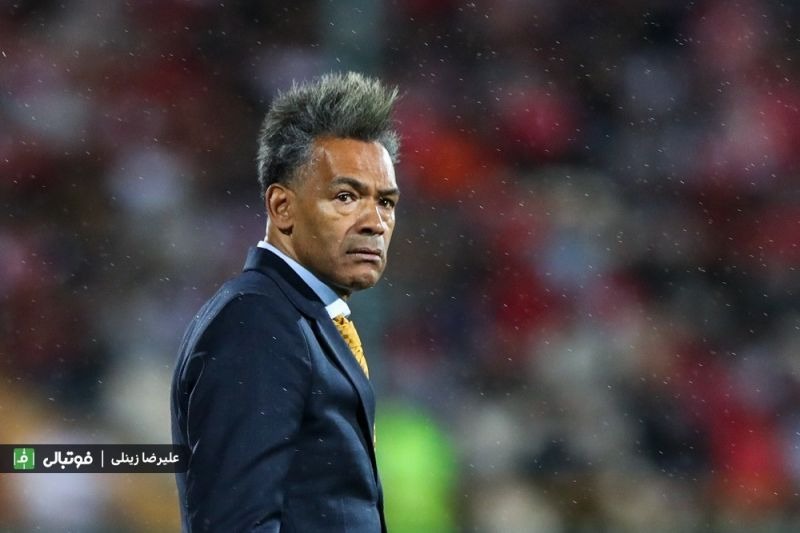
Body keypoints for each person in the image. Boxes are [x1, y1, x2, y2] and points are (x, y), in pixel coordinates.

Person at [171, 72, 401, 532]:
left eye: (386, 203)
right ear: (281, 207)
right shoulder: (256, 321)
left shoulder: (302, 318)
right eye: (346, 196)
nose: (375, 222)